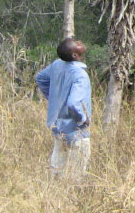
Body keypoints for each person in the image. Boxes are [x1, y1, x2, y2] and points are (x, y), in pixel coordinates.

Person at [34, 37, 92, 180]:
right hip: (76, 132)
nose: (80, 42)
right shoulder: (80, 75)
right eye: (76, 44)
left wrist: (55, 99)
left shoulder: (57, 65)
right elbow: (73, 104)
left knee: (56, 173)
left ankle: (54, 199)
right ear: (75, 55)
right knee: (77, 175)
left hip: (58, 129)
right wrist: (82, 119)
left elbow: (40, 78)